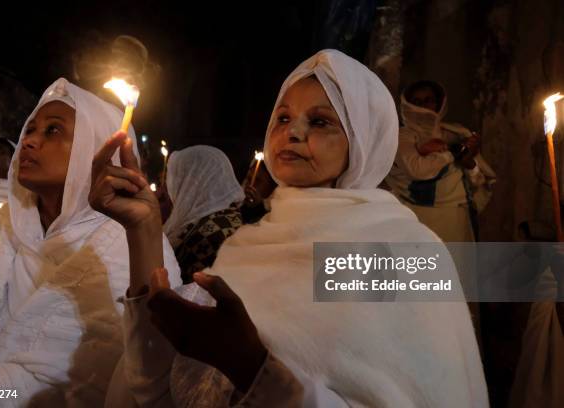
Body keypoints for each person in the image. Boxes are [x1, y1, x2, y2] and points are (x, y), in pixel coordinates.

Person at [92, 50, 488, 407]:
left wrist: (251, 367)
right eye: (282, 117)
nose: (292, 132)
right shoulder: (248, 246)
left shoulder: (407, 253)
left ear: (363, 142)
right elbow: (157, 390)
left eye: (319, 121)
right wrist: (142, 229)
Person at [0, 78, 181, 406]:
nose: (29, 141)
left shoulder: (128, 246)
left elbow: (102, 383)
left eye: (53, 131)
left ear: (94, 146)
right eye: (30, 130)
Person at [386, 80, 496, 242]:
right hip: (415, 218)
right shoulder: (402, 137)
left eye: (428, 100)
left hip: (455, 221)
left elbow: (478, 181)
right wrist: (452, 151)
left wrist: (469, 164)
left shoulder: (456, 133)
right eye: (417, 102)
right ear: (407, 105)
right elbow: (417, 170)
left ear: (439, 103)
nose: (423, 106)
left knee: (456, 265)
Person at [162, 145, 245, 283]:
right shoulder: (228, 216)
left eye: (174, 179)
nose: (167, 188)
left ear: (192, 182)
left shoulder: (208, 235)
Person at [240, 159, 277, 224]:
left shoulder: (275, 218)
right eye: (249, 179)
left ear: (272, 186)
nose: (250, 185)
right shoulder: (233, 208)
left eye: (257, 180)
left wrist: (257, 208)